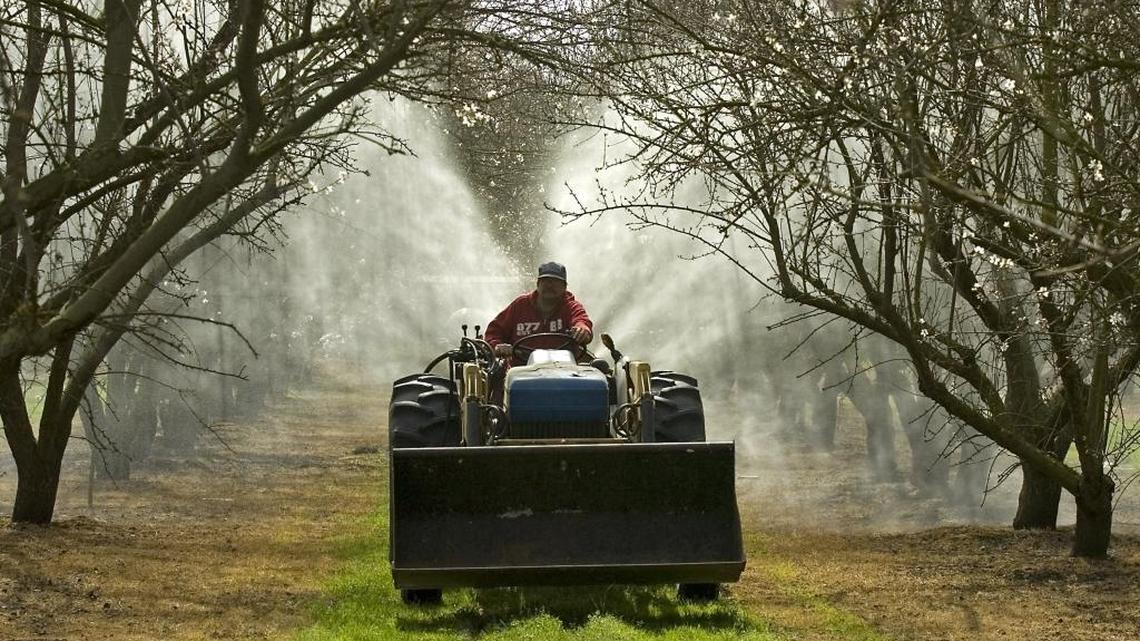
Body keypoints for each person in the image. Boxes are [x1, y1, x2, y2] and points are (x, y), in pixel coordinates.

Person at [485, 261, 593, 365]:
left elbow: (582, 321)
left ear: (564, 287)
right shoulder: (520, 305)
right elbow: (494, 330)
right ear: (537, 284)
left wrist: (582, 330)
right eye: (545, 281)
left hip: (564, 372)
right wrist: (497, 346)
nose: (549, 286)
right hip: (521, 373)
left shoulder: (571, 307)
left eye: (555, 282)